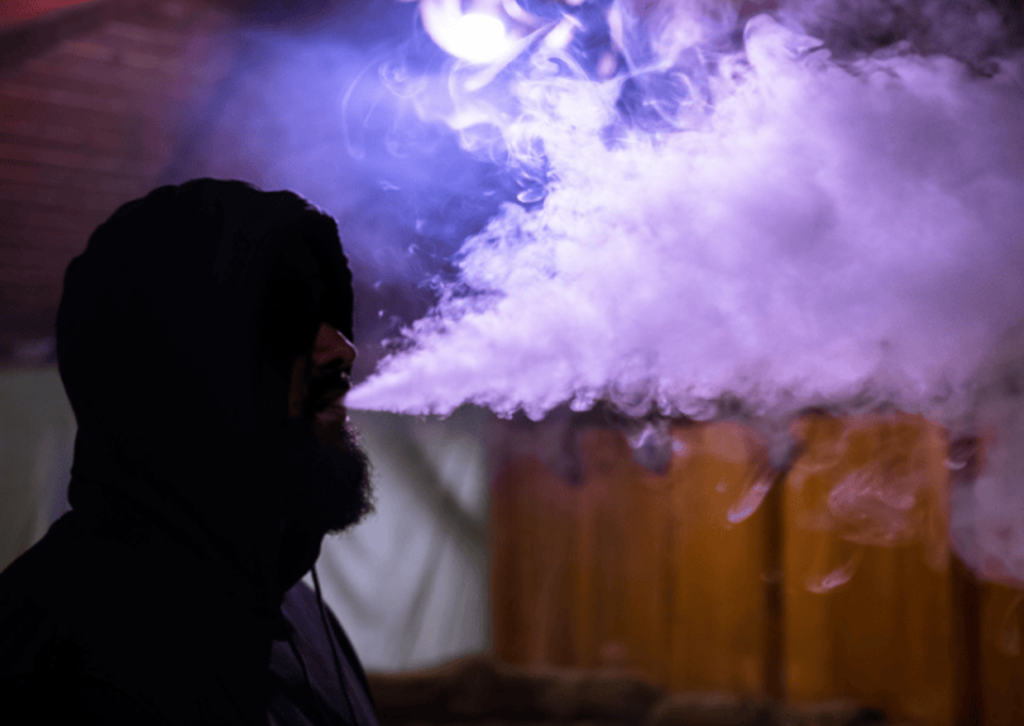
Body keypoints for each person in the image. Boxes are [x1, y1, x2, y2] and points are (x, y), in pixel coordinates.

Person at [0, 179, 381, 726]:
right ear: (181, 364)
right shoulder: (62, 669)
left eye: (330, 315)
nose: (341, 349)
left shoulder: (304, 617)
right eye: (287, 318)